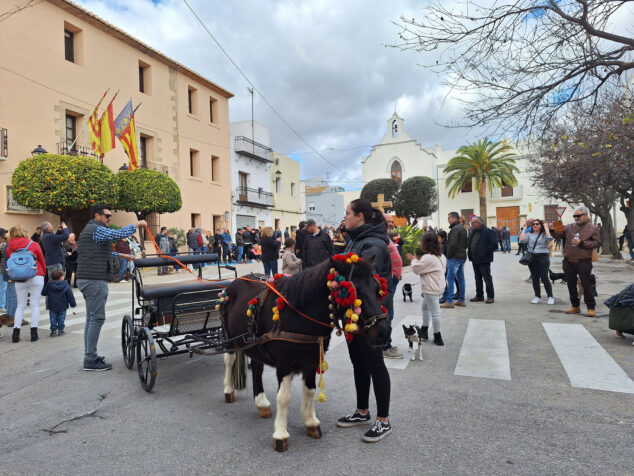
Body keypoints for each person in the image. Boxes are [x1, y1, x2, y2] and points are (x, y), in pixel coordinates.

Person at [336, 199, 393, 443]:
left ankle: (383, 420)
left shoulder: (373, 243)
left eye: (348, 213)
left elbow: (360, 277)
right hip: (354, 315)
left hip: (371, 317)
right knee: (358, 362)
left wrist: (336, 273)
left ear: (360, 216)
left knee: (375, 364)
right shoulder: (355, 239)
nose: (345, 217)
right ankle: (362, 411)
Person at [76, 204, 144, 371]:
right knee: (97, 318)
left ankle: (90, 355)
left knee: (91, 319)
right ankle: (90, 360)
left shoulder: (90, 229)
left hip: (87, 279)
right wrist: (136, 224)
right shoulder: (97, 229)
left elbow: (98, 252)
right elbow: (118, 234)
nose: (109, 219)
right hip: (94, 280)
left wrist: (120, 255)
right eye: (107, 216)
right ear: (97, 216)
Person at [552, 206, 601, 317]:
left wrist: (582, 243)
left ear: (586, 215)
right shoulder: (569, 227)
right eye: (575, 216)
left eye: (578, 216)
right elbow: (559, 235)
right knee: (571, 284)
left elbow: (597, 243)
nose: (576, 218)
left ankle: (591, 307)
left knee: (586, 284)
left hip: (584, 261)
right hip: (568, 260)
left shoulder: (593, 228)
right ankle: (575, 306)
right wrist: (553, 228)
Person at [407, 232, 447, 346]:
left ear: (427, 243)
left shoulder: (428, 257)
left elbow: (416, 269)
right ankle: (424, 330)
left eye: (422, 240)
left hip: (431, 288)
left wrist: (413, 259)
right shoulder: (441, 256)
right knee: (425, 307)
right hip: (436, 286)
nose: (420, 242)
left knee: (435, 312)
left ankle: (437, 336)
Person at [7, 225, 46, 343]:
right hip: (36, 274)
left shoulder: (9, 247)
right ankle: (34, 334)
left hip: (19, 278)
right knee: (34, 305)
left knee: (21, 306)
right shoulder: (33, 244)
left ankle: (16, 334)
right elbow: (41, 260)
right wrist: (43, 273)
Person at [519, 219, 555, 305]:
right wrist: (524, 229)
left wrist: (546, 228)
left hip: (543, 257)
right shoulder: (529, 234)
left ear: (541, 225)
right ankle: (537, 296)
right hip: (532, 257)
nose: (535, 225)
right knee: (535, 278)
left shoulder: (544, 234)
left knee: (544, 277)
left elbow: (550, 238)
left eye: (537, 224)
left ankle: (550, 297)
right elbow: (521, 240)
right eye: (533, 224)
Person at [382, 214, 403, 359]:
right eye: (388, 221)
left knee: (389, 313)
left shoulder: (386, 236)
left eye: (391, 221)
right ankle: (384, 346)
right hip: (388, 280)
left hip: (393, 279)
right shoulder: (381, 237)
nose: (391, 224)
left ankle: (387, 343)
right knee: (388, 313)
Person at [467, 216, 498, 304]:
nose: (471, 224)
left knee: (487, 278)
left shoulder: (487, 231)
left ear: (479, 223)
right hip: (475, 259)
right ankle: (479, 295)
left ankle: (490, 296)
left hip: (484, 260)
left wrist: (484, 253)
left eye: (473, 223)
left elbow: (494, 244)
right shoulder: (473, 231)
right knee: (477, 278)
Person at [440, 212, 468, 309]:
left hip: (454, 258)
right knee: (461, 279)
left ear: (454, 218)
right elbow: (465, 244)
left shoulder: (455, 229)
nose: (448, 220)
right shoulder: (463, 228)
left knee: (449, 279)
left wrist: (448, 256)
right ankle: (461, 300)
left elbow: (452, 244)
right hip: (462, 257)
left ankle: (449, 301)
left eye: (449, 218)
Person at [41, 268, 76, 337]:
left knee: (53, 318)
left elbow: (43, 293)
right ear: (61, 277)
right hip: (63, 306)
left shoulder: (49, 285)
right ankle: (60, 330)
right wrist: (73, 304)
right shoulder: (66, 285)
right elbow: (70, 295)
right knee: (61, 318)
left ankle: (53, 331)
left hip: (52, 305)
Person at [0, 228, 7, 312]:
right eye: (4, 237)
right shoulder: (3, 246)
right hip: (2, 270)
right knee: (3, 288)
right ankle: (2, 305)